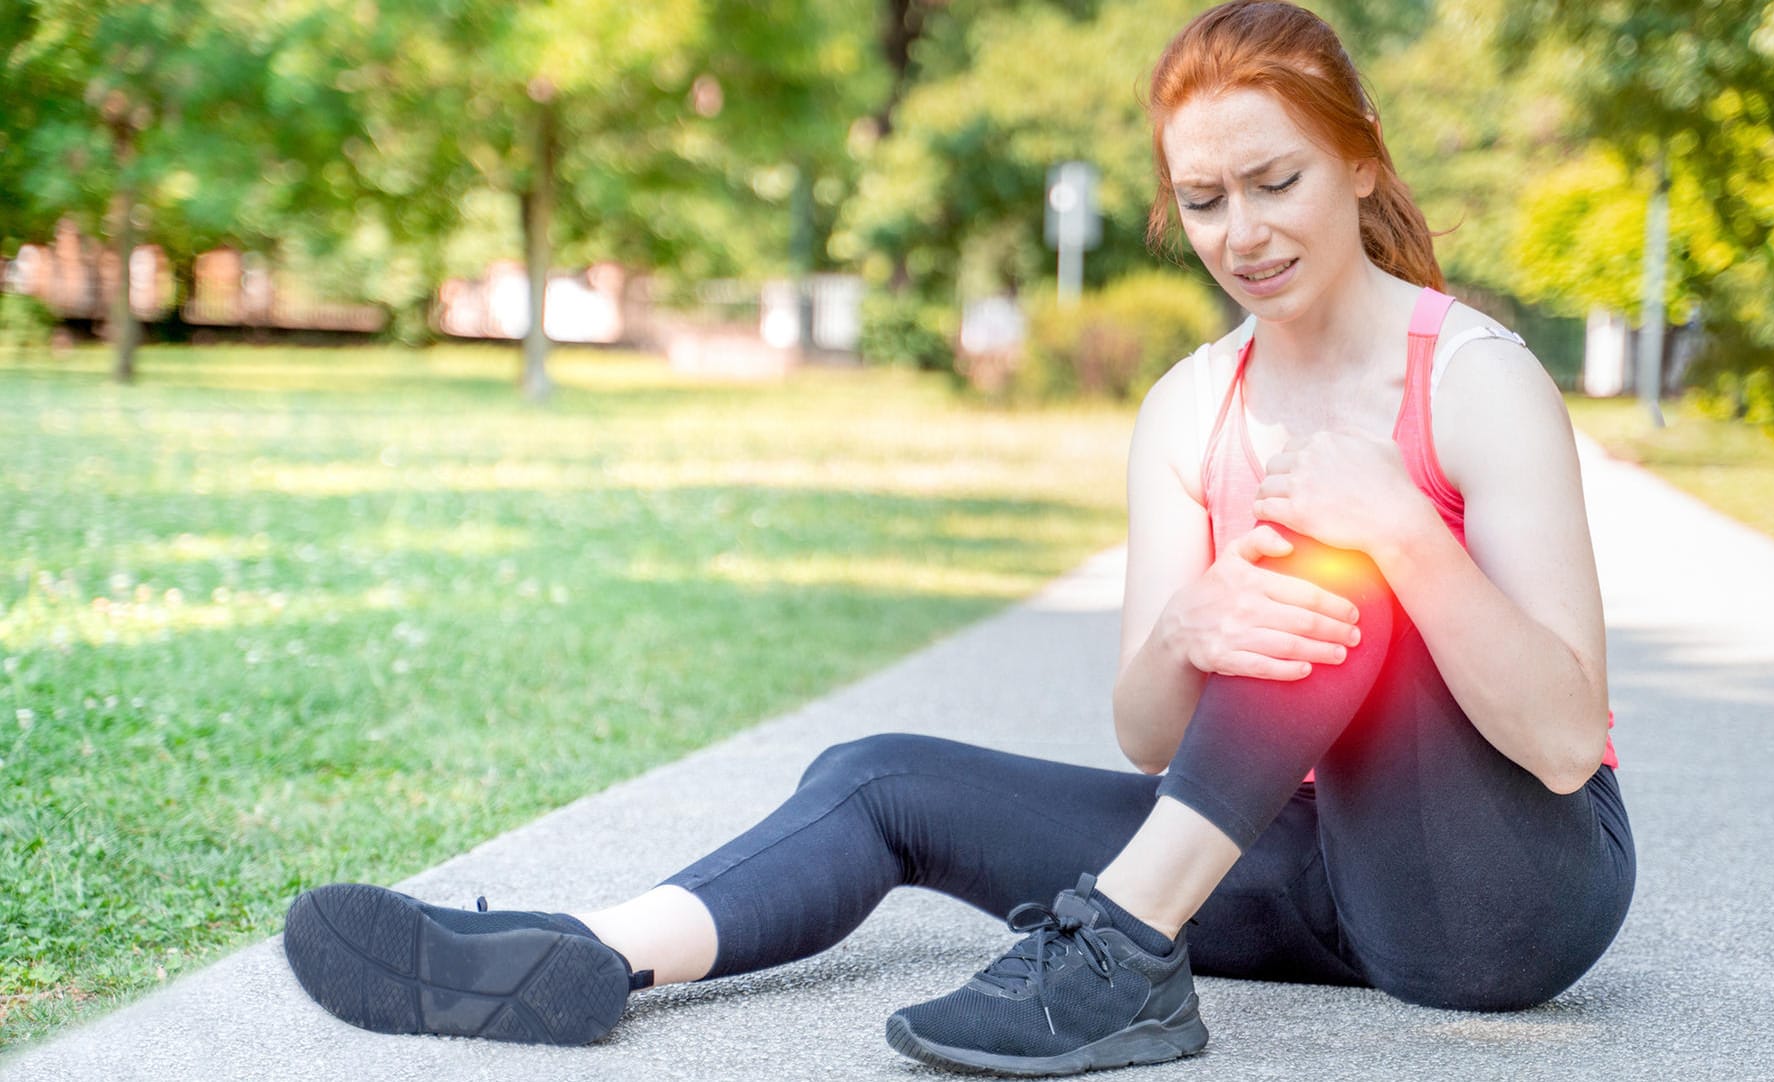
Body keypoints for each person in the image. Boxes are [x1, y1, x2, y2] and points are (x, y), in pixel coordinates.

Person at [281, 1, 1634, 1074]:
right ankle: (590, 951)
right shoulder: (1188, 406)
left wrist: (1396, 524)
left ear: (1358, 154)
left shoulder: (1473, 376)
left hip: (1510, 891)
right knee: (882, 777)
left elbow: (1569, 738)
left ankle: (1117, 954)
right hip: (1316, 872)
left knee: (1330, 556)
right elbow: (1157, 738)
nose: (1244, 232)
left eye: (1274, 181)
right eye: (1205, 200)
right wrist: (1185, 624)